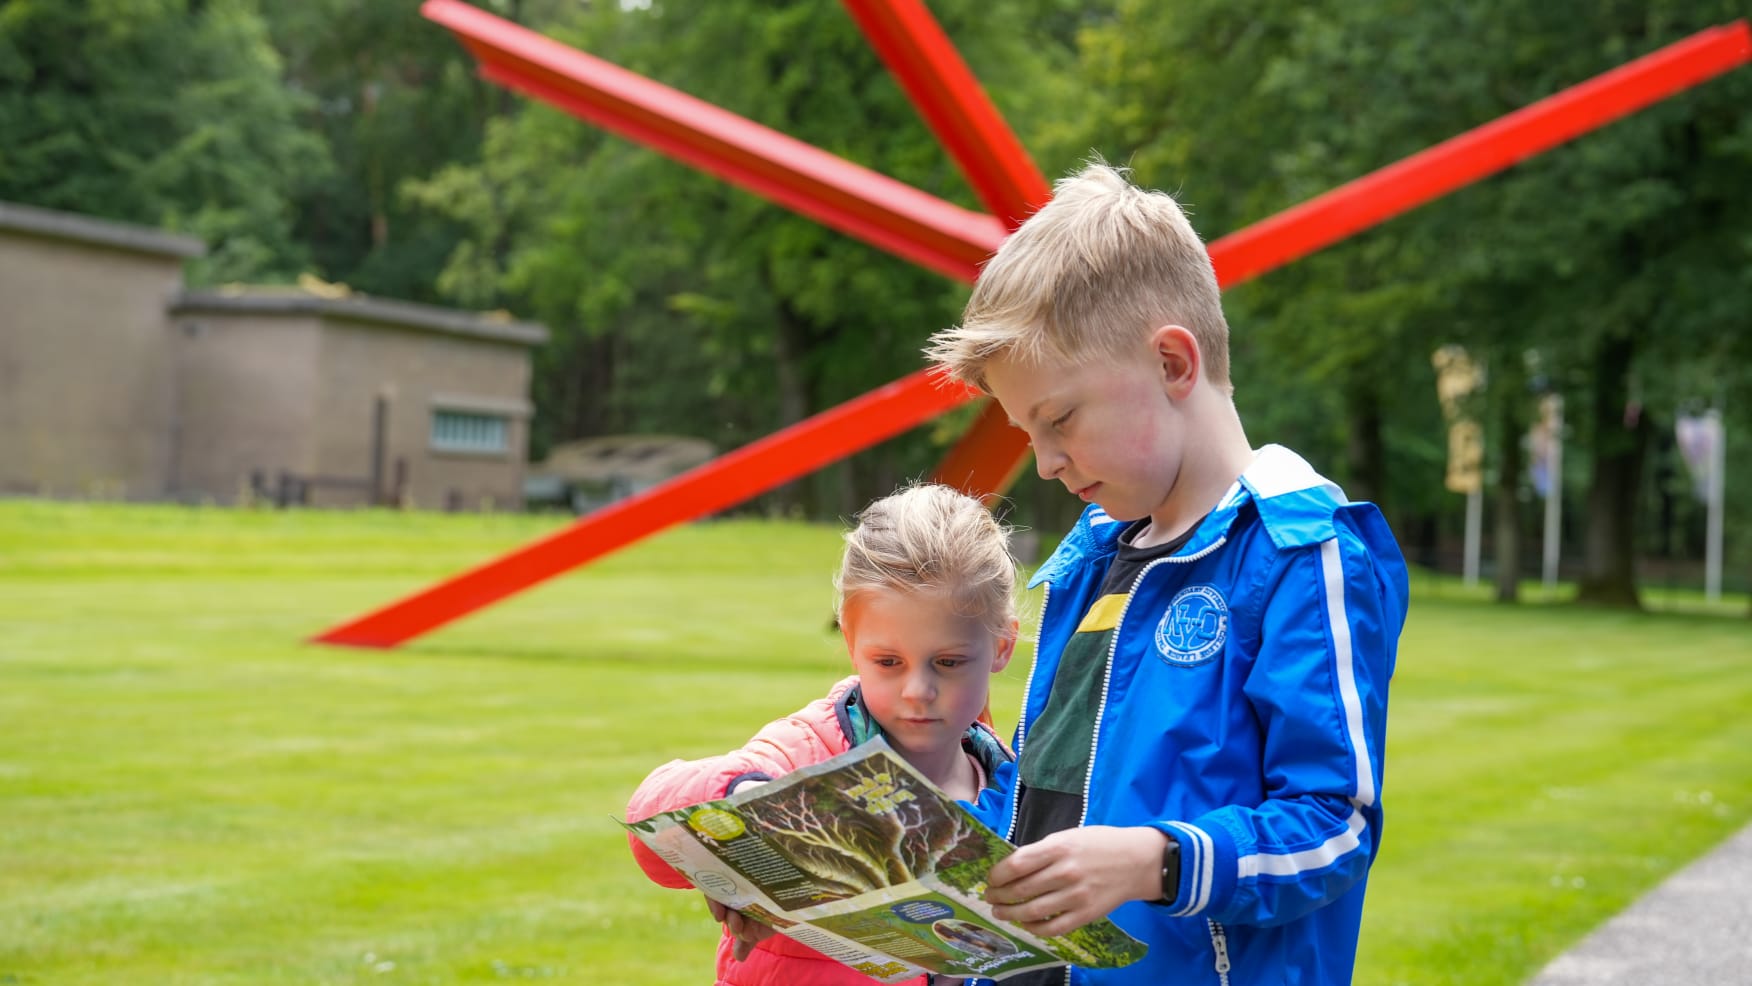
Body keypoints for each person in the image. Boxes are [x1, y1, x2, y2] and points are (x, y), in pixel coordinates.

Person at [923, 161, 1410, 986]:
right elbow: (1047, 797)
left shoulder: (1299, 550)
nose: (1043, 463)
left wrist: (1160, 862)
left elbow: (1335, 829)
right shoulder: (1090, 559)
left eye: (1061, 419)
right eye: (1025, 433)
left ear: (1174, 364)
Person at [625, 483, 1022, 986]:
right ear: (851, 643)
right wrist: (748, 799)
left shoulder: (1013, 785)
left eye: (947, 663)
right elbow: (652, 826)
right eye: (888, 662)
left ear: (1002, 646)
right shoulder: (808, 753)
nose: (918, 690)